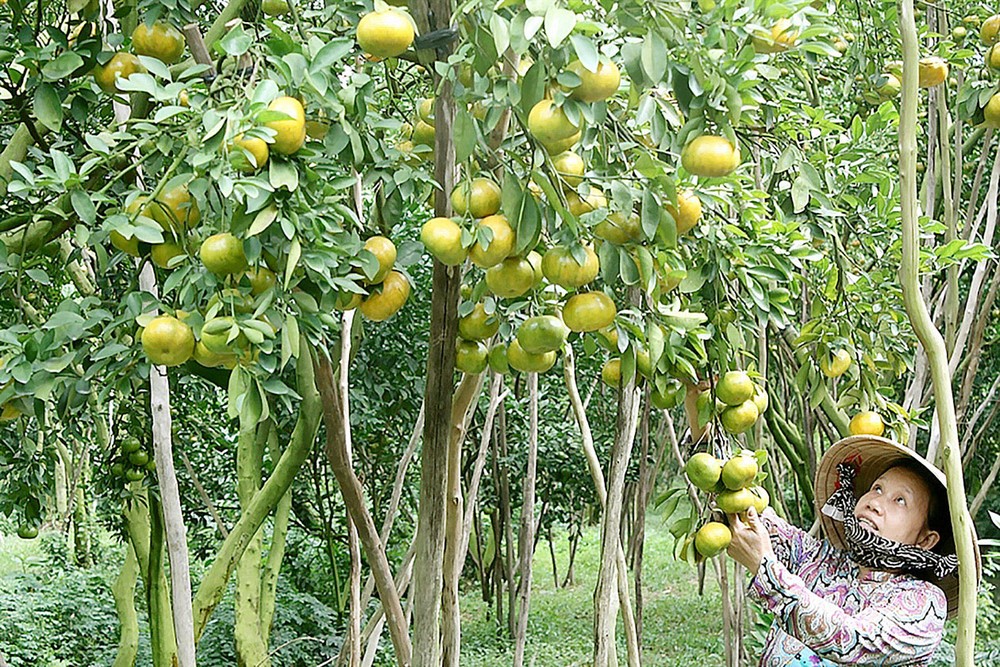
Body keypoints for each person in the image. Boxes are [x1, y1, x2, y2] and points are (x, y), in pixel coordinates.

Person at [726, 434, 979, 666]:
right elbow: (737, 500)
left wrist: (766, 570)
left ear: (925, 540)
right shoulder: (819, 560)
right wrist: (701, 399)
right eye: (877, 488)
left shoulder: (925, 604)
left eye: (899, 500)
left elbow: (852, 640)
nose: (875, 503)